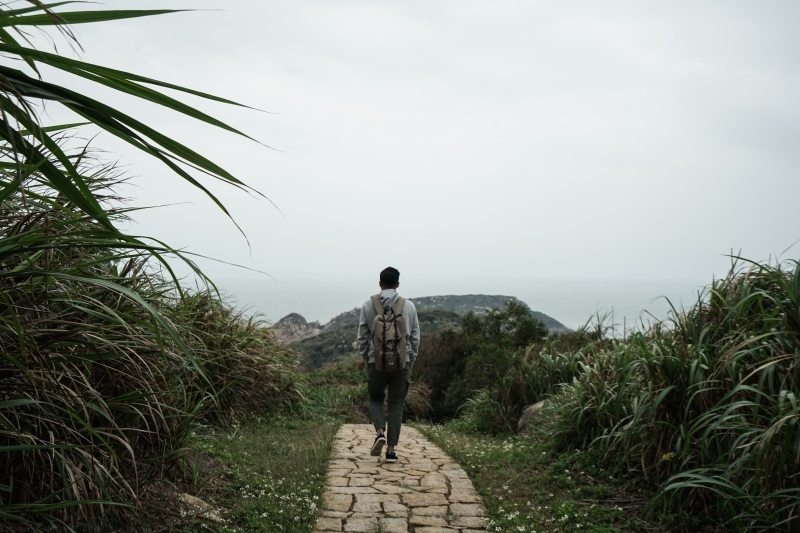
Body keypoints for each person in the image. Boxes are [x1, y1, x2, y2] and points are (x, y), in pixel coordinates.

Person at [356, 266, 420, 463]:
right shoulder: (408, 306)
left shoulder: (368, 305)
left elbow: (362, 338)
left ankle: (380, 432)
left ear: (380, 283)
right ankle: (391, 451)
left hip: (376, 363)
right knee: (395, 405)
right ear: (398, 284)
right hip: (402, 363)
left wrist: (369, 359)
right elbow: (415, 337)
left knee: (375, 398)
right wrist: (410, 358)